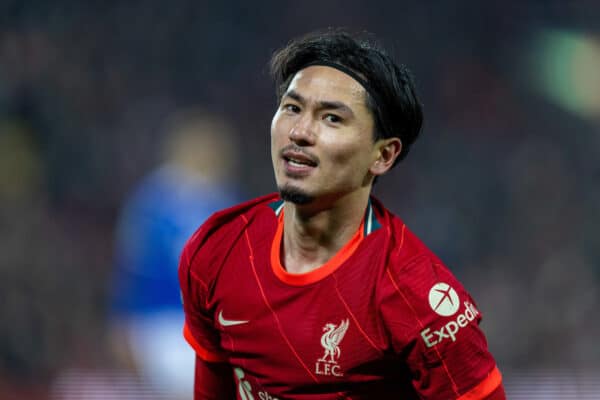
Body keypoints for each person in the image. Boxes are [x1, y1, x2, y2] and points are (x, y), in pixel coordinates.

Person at [179, 29, 506, 399]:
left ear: (383, 155)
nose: (300, 131)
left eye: (331, 118)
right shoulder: (216, 250)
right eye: (292, 108)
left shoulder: (419, 301)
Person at [110, 109, 242, 398]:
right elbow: (132, 268)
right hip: (160, 328)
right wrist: (123, 324)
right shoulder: (153, 202)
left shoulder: (223, 198)